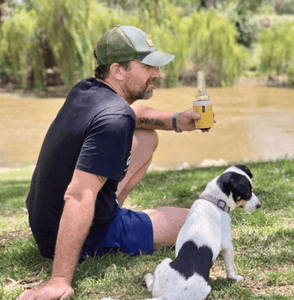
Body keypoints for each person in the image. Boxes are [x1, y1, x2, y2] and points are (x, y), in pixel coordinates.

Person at [18, 25, 215, 300]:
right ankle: (111, 227)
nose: (156, 73)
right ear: (118, 70)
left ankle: (112, 208)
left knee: (146, 138)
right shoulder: (114, 119)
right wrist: (59, 279)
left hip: (44, 224)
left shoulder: (87, 90)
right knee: (192, 222)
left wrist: (176, 121)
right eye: (147, 66)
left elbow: (134, 115)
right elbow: (78, 195)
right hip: (86, 237)